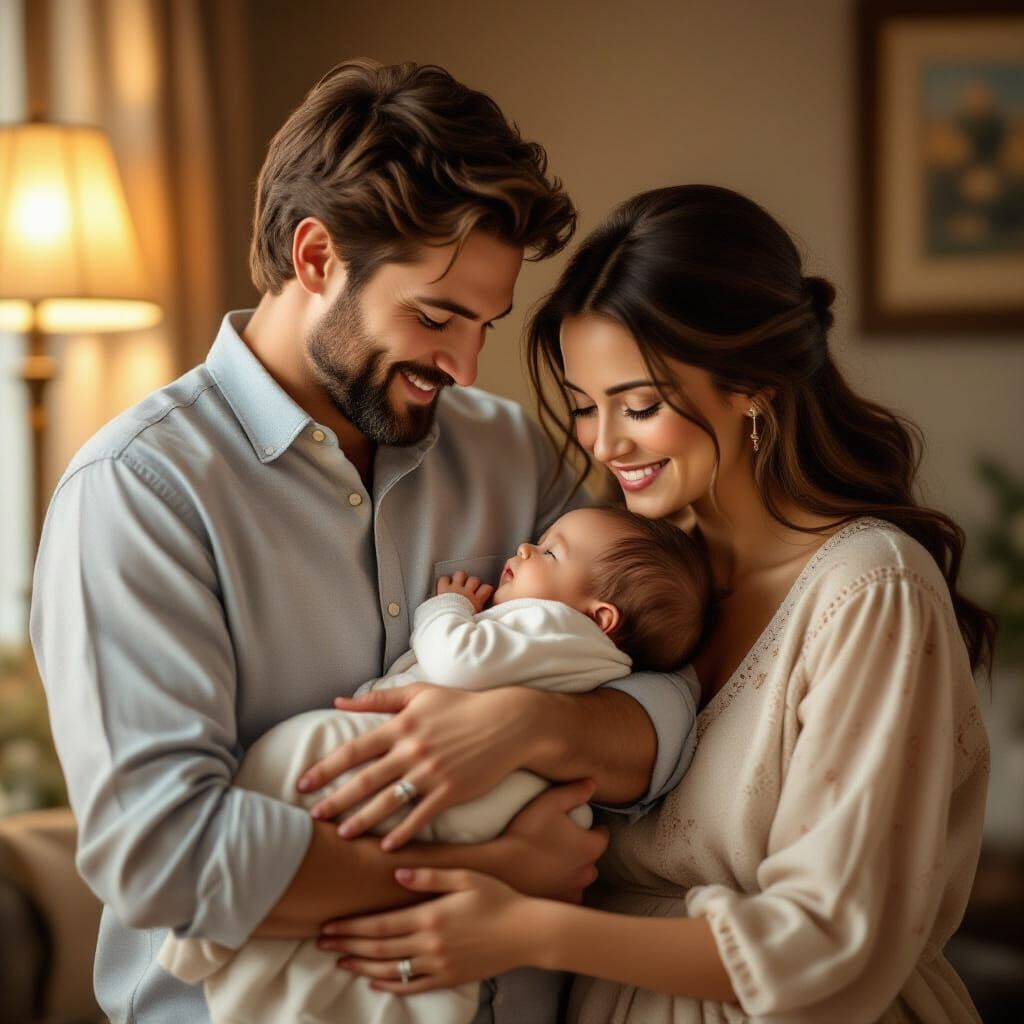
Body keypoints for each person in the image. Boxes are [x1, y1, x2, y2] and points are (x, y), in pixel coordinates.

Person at [29, 63, 701, 1024]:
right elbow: (161, 855)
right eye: (435, 316)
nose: (465, 366)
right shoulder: (138, 494)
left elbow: (667, 688)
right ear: (315, 256)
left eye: (485, 324)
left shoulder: (508, 455)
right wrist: (490, 871)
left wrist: (530, 726)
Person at [318, 185, 994, 1024]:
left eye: (638, 406)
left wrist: (532, 932)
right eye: (583, 407)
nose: (604, 444)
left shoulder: (869, 591)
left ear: (752, 384)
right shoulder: (622, 575)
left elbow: (830, 946)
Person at [158, 506, 711, 1024]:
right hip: (480, 795)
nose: (525, 547)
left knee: (295, 755)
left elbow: (458, 661)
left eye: (549, 553)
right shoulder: (576, 646)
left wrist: (448, 608)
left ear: (601, 617)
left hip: (470, 787)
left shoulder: (556, 628)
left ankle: (212, 930)